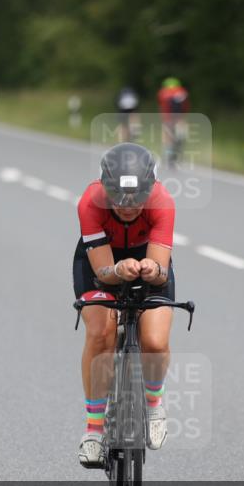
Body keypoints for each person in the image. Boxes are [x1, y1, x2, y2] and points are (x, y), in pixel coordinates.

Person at [73, 143, 176, 468]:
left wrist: (152, 270)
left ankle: (154, 405)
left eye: (137, 198)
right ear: (105, 189)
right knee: (100, 332)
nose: (128, 206)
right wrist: (117, 270)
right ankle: (93, 430)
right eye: (118, 198)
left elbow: (160, 271)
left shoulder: (162, 201)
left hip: (147, 258)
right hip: (101, 262)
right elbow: (104, 272)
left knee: (155, 341)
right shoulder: (90, 202)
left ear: (150, 190)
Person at [156, 77, 190, 165]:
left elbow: (161, 106)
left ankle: (167, 154)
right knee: (180, 137)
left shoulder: (163, 92)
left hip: (168, 118)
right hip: (180, 118)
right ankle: (177, 153)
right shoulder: (182, 92)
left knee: (167, 137)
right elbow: (186, 106)